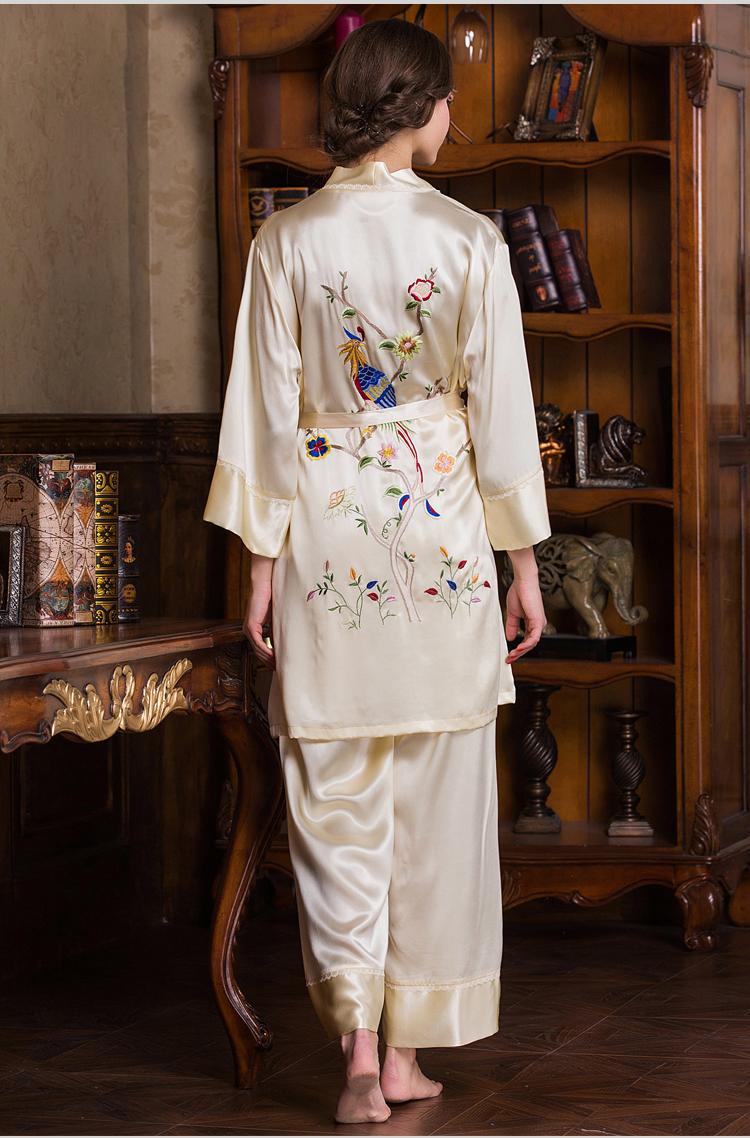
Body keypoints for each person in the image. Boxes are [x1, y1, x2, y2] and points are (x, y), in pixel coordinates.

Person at [203, 17, 551, 1125]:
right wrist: (524, 564)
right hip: (442, 540)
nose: (452, 117)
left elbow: (262, 420)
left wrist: (260, 567)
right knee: (438, 811)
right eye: (446, 100)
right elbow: (503, 418)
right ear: (417, 107)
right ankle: (405, 1058)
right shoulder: (470, 240)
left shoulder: (286, 240)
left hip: (328, 543)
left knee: (335, 802)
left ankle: (357, 1058)